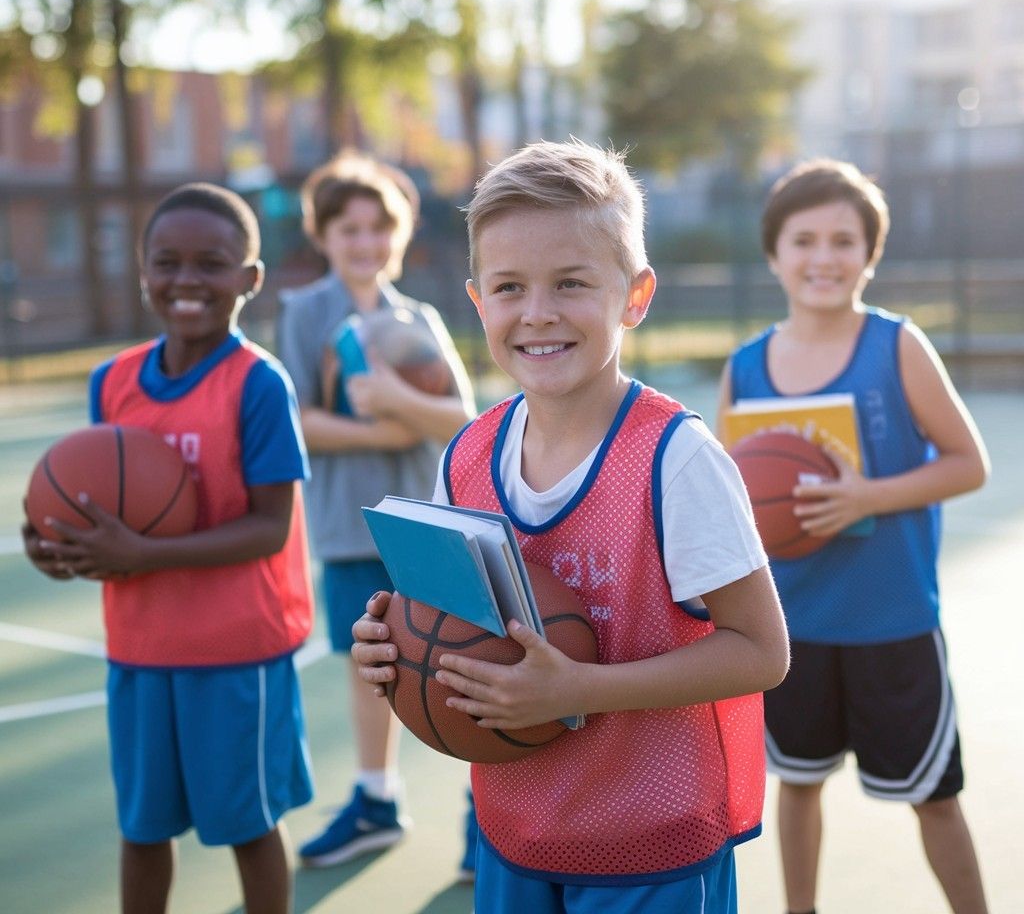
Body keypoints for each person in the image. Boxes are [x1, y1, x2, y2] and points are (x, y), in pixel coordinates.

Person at [352, 140, 790, 914]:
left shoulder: (675, 459)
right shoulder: (466, 456)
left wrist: (582, 688)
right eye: (510, 287)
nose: (538, 312)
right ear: (478, 301)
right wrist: (391, 645)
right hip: (516, 830)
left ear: (635, 295)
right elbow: (444, 628)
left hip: (653, 840)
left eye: (572, 283)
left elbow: (762, 652)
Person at [22, 184, 315, 914]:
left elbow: (270, 527)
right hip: (140, 649)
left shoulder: (258, 386)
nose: (187, 280)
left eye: (211, 264)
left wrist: (145, 552)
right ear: (143, 270)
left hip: (235, 653)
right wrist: (55, 545)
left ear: (249, 279)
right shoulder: (113, 381)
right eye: (168, 262)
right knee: (142, 829)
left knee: (248, 828)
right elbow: (95, 499)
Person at [717, 158, 991, 914]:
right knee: (797, 787)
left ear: (870, 255)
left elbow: (970, 463)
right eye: (804, 240)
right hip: (792, 628)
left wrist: (866, 496)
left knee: (935, 799)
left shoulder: (897, 346)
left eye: (844, 241)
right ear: (774, 254)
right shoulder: (745, 369)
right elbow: (731, 502)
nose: (824, 258)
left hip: (893, 622)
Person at [276, 151, 478, 874]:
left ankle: (484, 812)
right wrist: (384, 431)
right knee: (375, 669)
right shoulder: (304, 313)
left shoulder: (416, 318)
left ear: (401, 234)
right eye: (348, 229)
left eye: (378, 228)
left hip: (423, 524)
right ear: (323, 235)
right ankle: (376, 799)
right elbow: (296, 419)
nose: (365, 242)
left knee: (456, 664)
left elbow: (462, 418)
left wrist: (400, 404)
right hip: (348, 523)